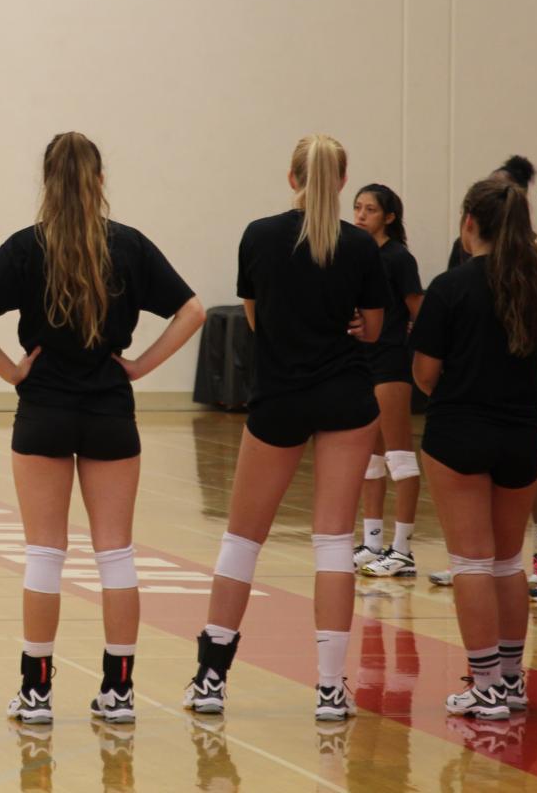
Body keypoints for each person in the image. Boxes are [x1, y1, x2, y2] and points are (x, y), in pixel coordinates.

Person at [0, 132, 205, 726]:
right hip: (109, 410)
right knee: (115, 554)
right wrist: (141, 365)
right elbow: (192, 310)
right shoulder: (129, 245)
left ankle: (36, 691)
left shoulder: (25, 247)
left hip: (42, 407)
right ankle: (119, 690)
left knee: (45, 554)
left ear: (47, 181)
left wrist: (15, 372)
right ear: (99, 180)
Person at [183, 135, 387, 720]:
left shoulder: (259, 235)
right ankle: (329, 688)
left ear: (291, 177)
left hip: (278, 398)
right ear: (343, 182)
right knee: (332, 543)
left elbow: (254, 318)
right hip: (346, 398)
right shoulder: (359, 245)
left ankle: (210, 680)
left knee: (243, 540)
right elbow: (371, 330)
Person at [409, 176, 537, 719]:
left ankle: (485, 685)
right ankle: (511, 678)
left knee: (469, 563)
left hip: (458, 432)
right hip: (520, 433)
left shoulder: (450, 288)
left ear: (469, 224)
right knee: (506, 562)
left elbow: (425, 374)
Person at [350, 184, 425, 578]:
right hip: (362, 360)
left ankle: (403, 548)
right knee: (370, 457)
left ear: (389, 217)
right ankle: (373, 541)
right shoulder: (358, 253)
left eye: (371, 210)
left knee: (399, 455)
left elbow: (420, 310)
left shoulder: (398, 257)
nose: (361, 216)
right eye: (358, 208)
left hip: (392, 361)